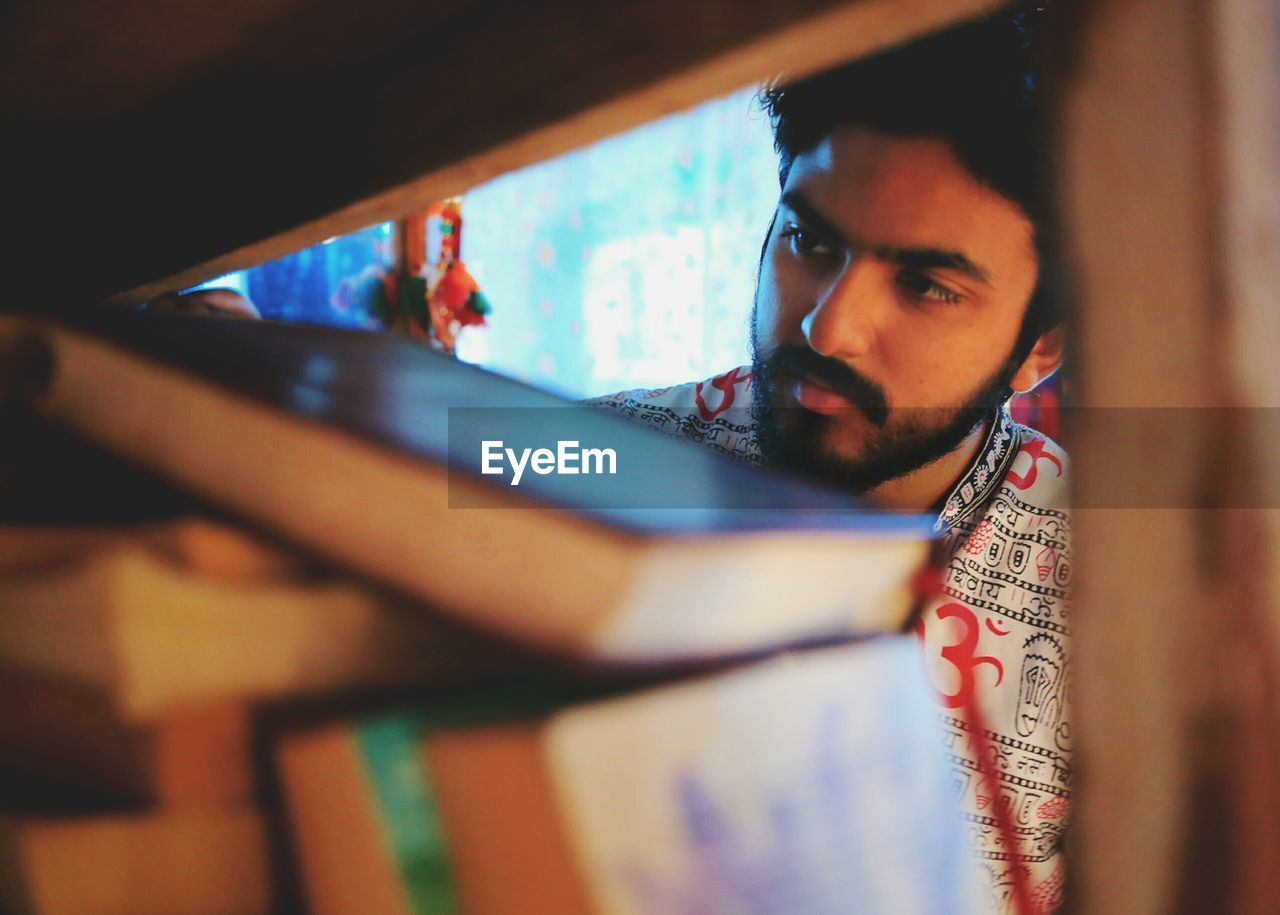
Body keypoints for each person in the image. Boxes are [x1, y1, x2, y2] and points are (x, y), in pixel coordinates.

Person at [592, 12, 1070, 913]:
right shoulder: (597, 463)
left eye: (926, 286)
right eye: (811, 242)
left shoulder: (1126, 604)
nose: (827, 327)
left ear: (1040, 348)